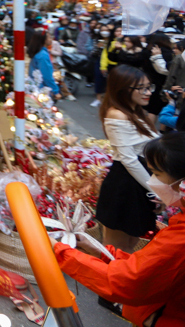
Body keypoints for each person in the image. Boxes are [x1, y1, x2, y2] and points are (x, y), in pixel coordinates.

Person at [54, 132, 185, 326]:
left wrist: (59, 251)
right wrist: (102, 252)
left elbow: (130, 280)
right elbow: (151, 268)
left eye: (157, 174)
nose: (152, 181)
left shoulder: (180, 235)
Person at [94, 65, 159, 254]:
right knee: (116, 251)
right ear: (123, 89)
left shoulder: (137, 112)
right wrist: (158, 189)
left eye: (149, 87)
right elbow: (128, 160)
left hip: (138, 183)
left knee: (130, 247)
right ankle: (109, 283)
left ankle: (120, 283)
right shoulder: (117, 114)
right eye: (142, 88)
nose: (148, 93)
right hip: (124, 186)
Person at [143, 33, 176, 120]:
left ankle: (141, 127)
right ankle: (152, 130)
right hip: (162, 83)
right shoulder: (169, 54)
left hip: (148, 81)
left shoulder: (146, 51)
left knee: (145, 106)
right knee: (155, 110)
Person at [28, 29, 60, 100]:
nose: (51, 38)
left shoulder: (39, 53)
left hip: (35, 88)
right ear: (43, 40)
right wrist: (56, 91)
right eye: (49, 37)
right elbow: (46, 76)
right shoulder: (43, 55)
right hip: (41, 91)